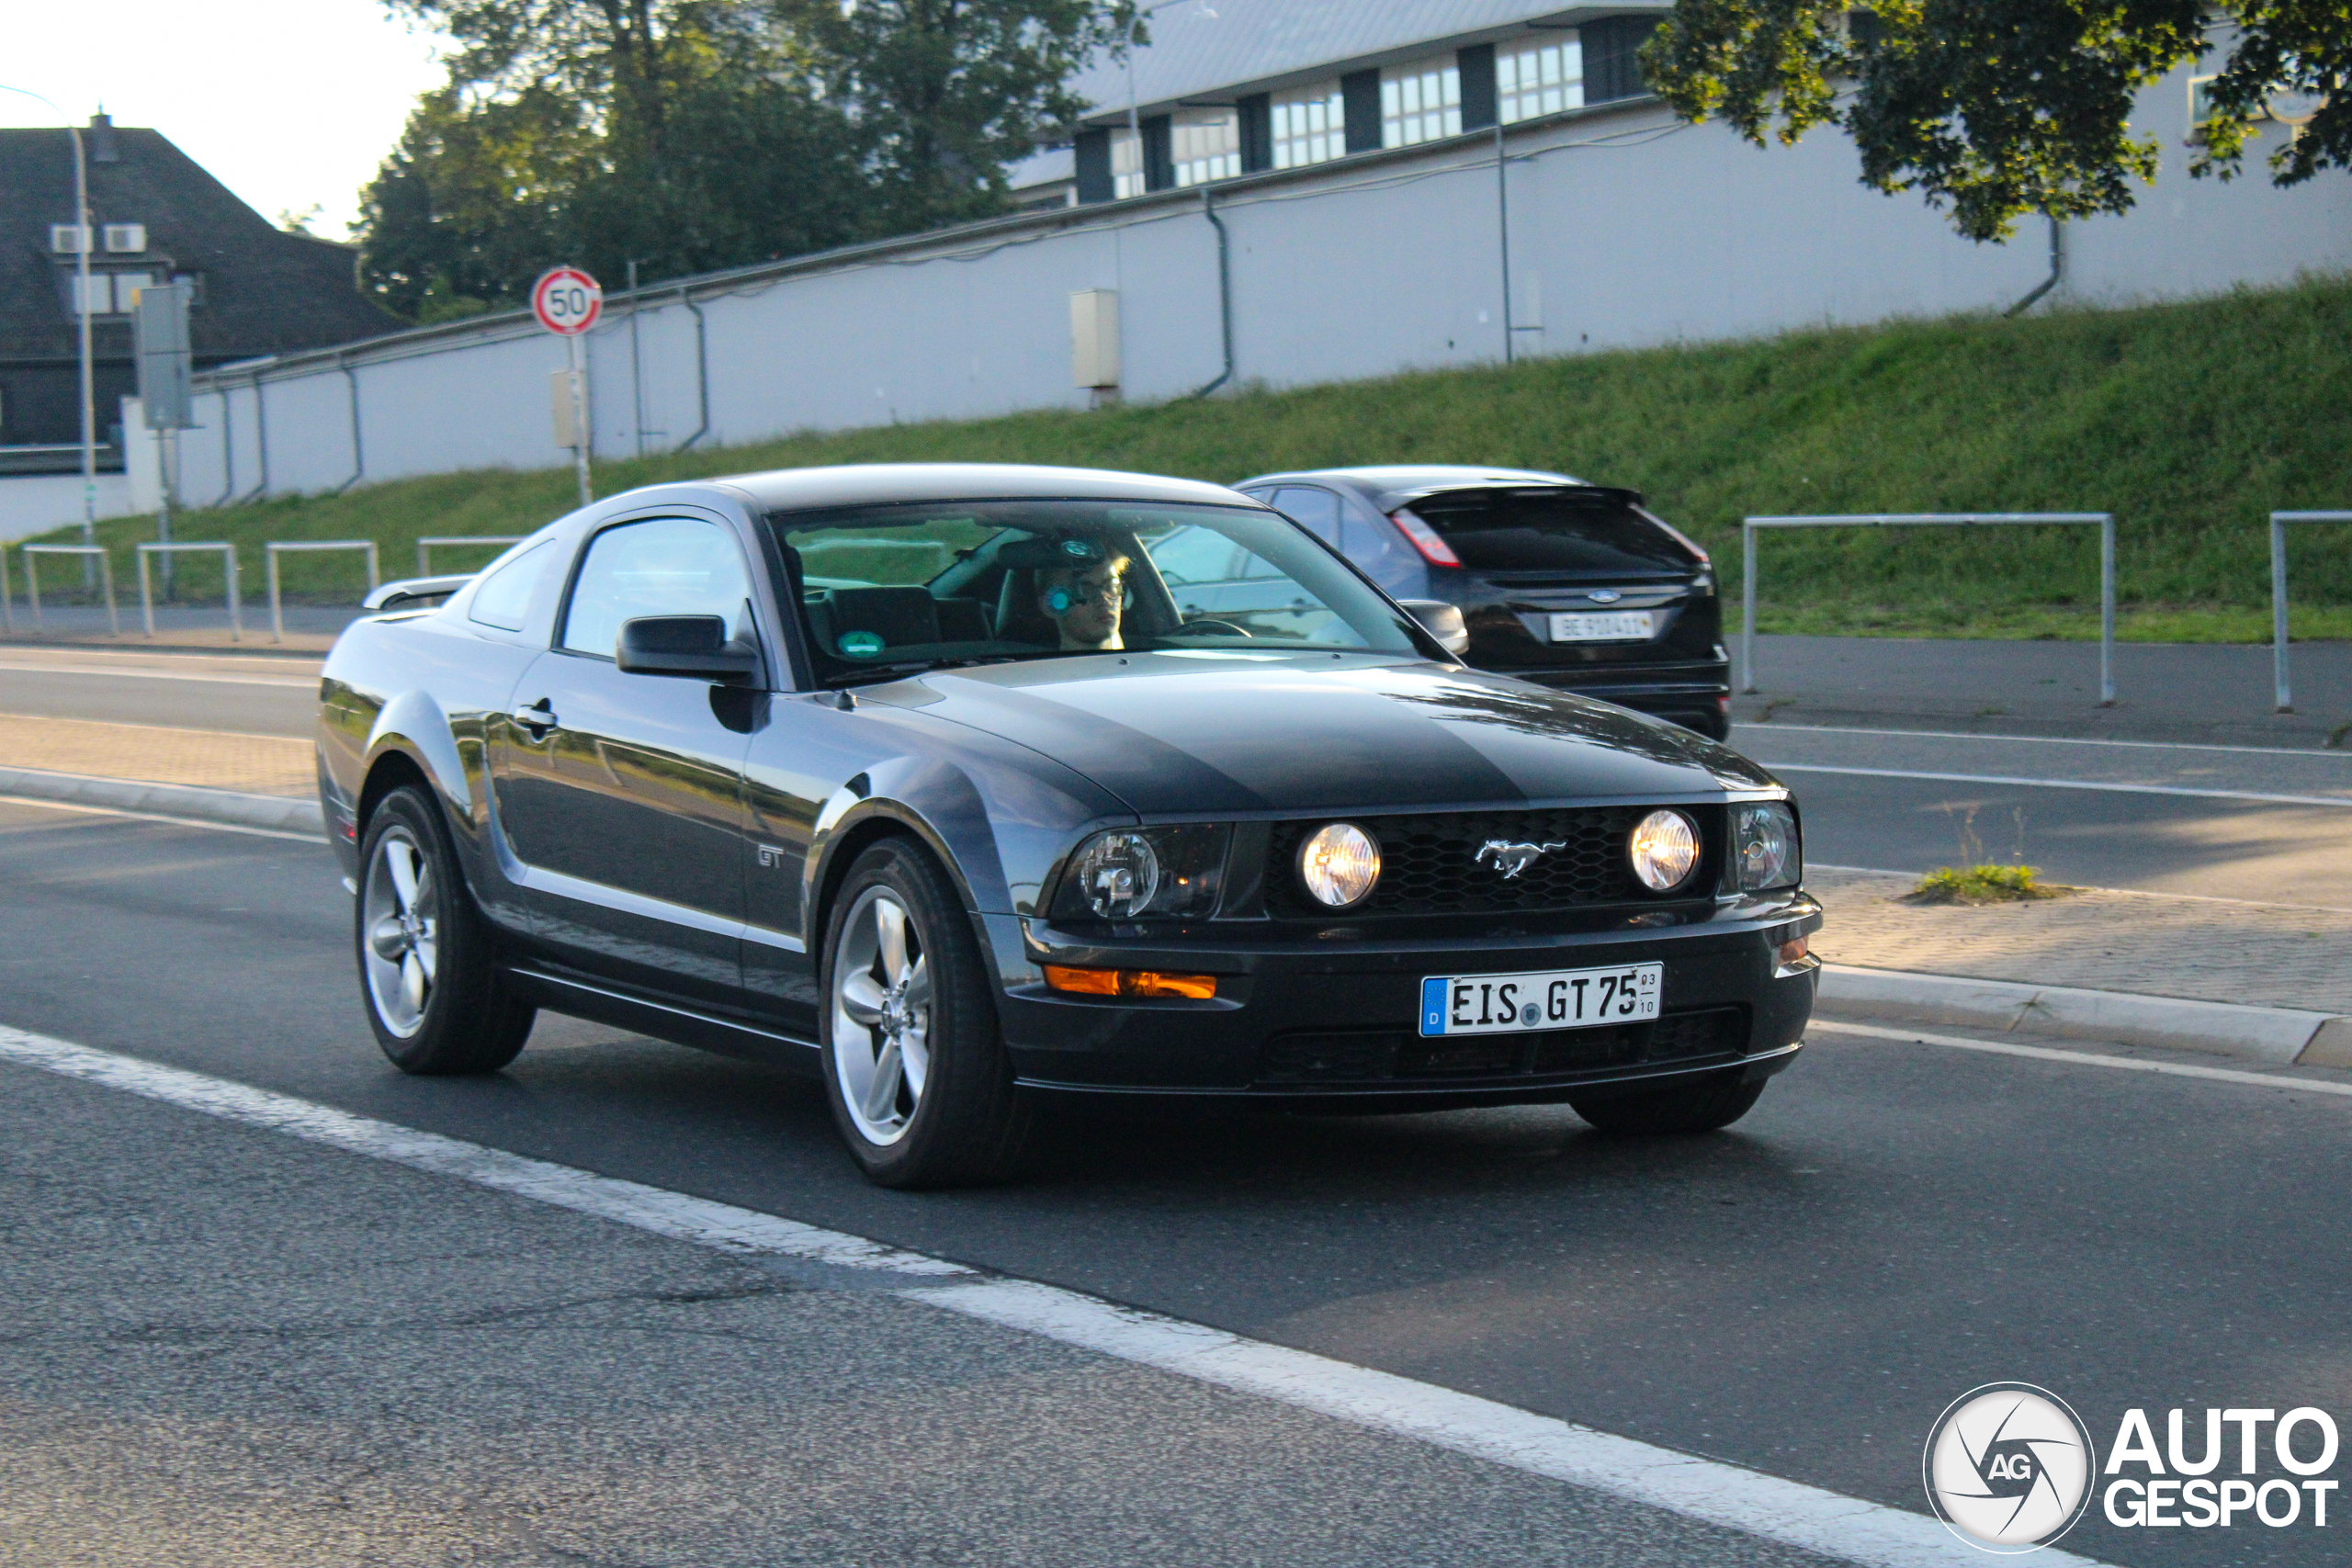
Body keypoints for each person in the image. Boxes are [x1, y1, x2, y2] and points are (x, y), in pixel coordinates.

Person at [1035, 550, 1129, 651]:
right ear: (1048, 605)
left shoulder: (1143, 656)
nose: (1104, 600)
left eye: (1110, 586)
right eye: (1084, 590)